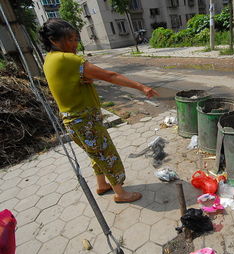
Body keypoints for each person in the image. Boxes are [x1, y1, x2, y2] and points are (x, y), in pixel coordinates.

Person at [39, 19, 159, 203]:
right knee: (106, 154)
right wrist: (141, 87)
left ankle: (102, 184)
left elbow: (69, 84)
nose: (75, 44)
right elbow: (110, 76)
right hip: (85, 121)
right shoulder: (68, 59)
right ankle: (121, 194)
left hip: (73, 122)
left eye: (75, 39)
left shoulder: (49, 59)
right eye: (69, 39)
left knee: (95, 153)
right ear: (54, 40)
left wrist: (86, 81)